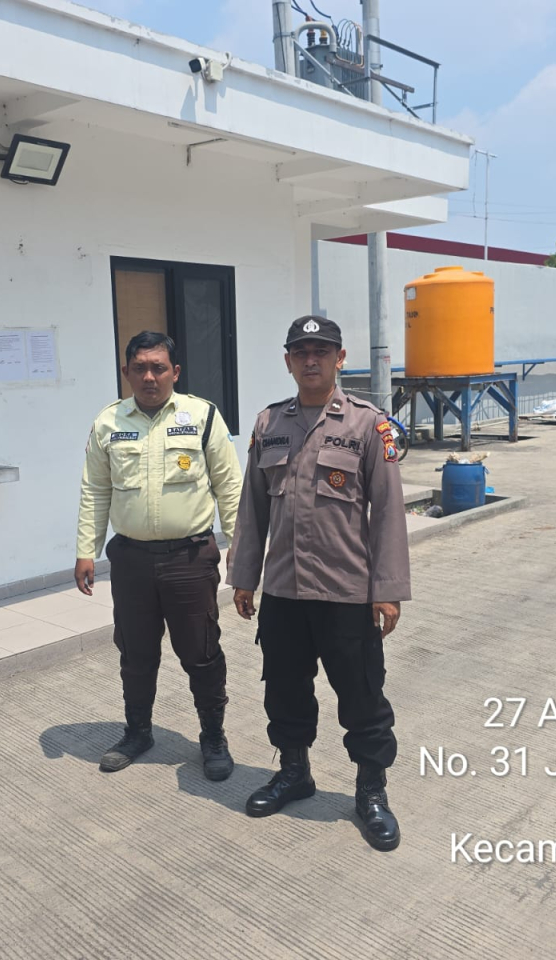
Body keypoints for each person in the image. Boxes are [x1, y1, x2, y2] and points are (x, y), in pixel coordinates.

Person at [227, 315, 411, 851]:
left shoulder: (369, 426)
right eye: (301, 352)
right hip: (284, 591)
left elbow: (389, 512)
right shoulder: (269, 423)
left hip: (347, 592)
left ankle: (371, 791)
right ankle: (294, 772)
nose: (312, 360)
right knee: (284, 690)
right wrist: (245, 576)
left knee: (362, 696)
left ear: (340, 358)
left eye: (322, 351)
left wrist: (387, 588)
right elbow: (252, 508)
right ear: (288, 361)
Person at [76, 331, 243, 781]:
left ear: (175, 372)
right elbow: (95, 490)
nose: (149, 376)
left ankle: (213, 737)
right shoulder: (108, 423)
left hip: (190, 560)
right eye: (140, 368)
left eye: (158, 367)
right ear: (126, 372)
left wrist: (241, 550)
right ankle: (137, 732)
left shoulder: (203, 416)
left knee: (201, 653)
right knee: (135, 654)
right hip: (131, 562)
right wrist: (86, 550)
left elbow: (230, 487)